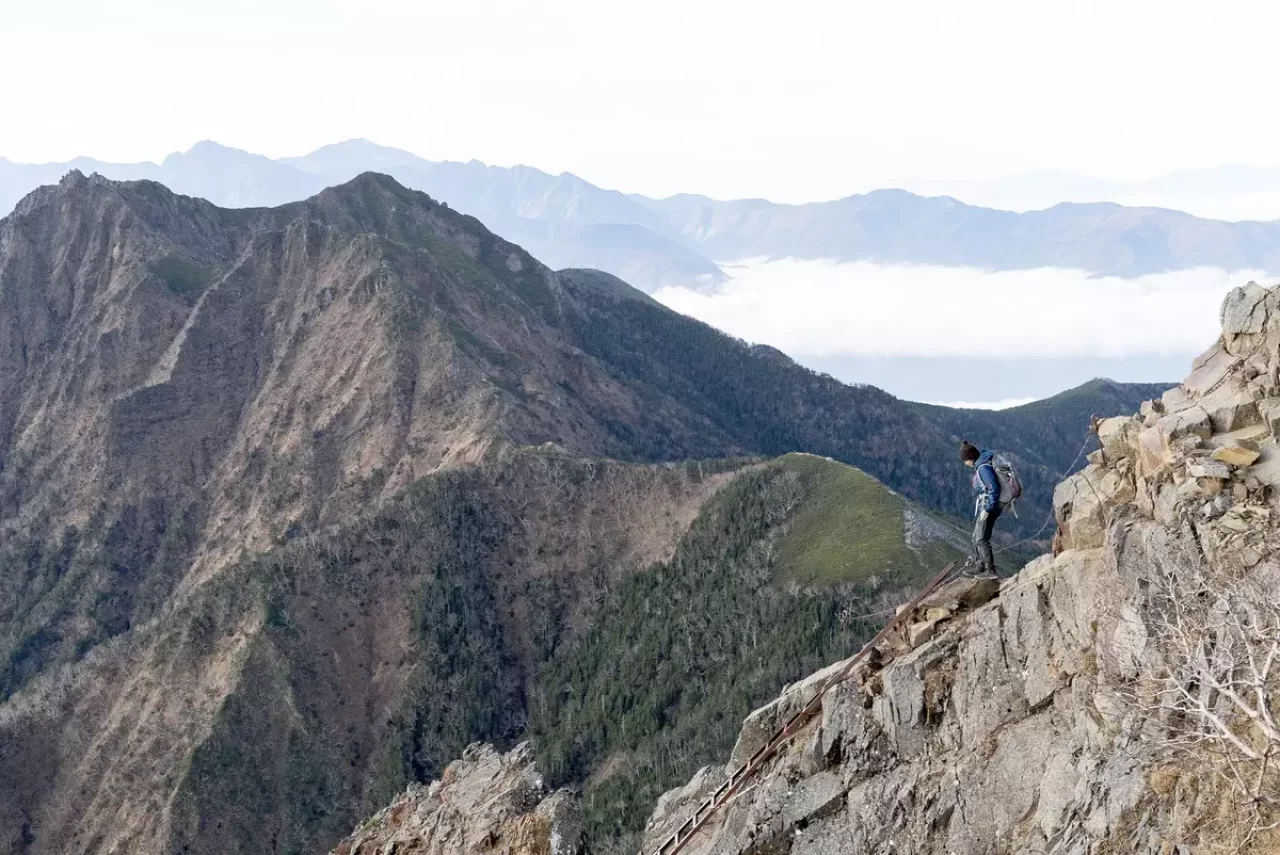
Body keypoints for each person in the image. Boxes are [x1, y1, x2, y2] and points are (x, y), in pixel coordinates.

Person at [960, 440, 1001, 578]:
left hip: (989, 507)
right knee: (975, 537)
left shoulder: (983, 468)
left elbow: (994, 489)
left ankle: (990, 570)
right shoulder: (981, 465)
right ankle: (980, 565)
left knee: (981, 539)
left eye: (965, 460)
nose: (965, 463)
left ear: (970, 458)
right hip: (987, 506)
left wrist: (987, 509)